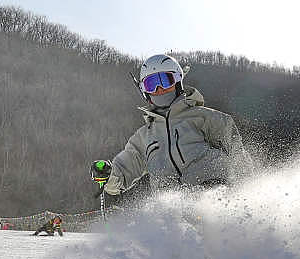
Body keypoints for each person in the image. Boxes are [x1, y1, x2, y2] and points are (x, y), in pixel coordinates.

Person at [91, 54, 253, 195]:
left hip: (215, 195)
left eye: (164, 81)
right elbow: (122, 174)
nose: (159, 89)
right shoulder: (144, 137)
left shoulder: (206, 117)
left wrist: (245, 190)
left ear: (177, 81)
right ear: (144, 91)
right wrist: (108, 175)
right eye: (151, 84)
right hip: (174, 210)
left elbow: (238, 155)